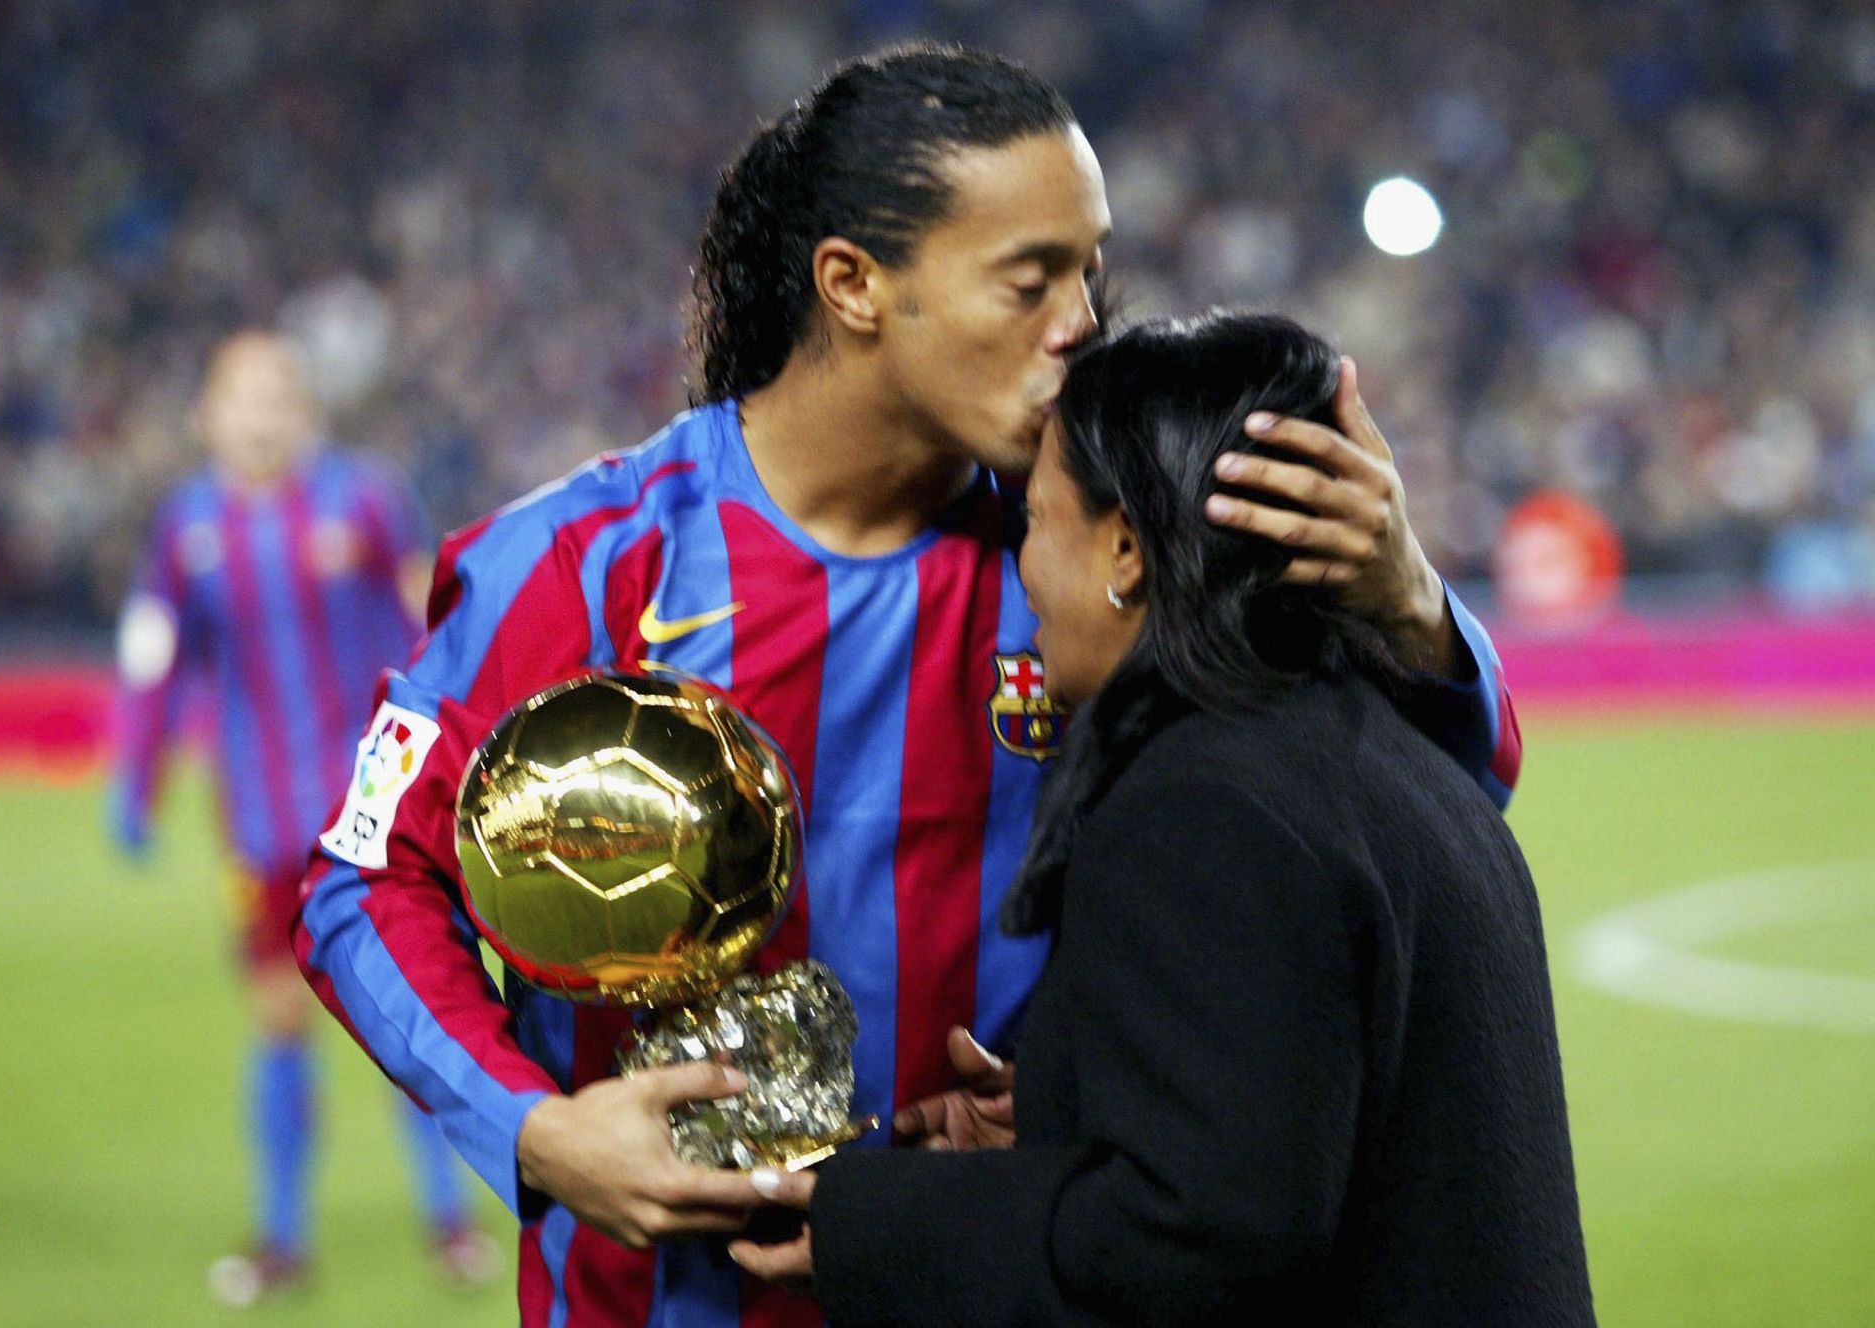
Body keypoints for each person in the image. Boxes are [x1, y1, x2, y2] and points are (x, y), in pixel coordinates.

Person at [294, 45, 1524, 1326]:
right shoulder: (582, 566)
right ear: (854, 285)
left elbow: (1433, 802)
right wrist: (538, 1132)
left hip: (999, 1288)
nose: (1082, 325)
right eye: (1029, 280)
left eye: (1089, 270)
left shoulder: (1099, 555)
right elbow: (363, 876)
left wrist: (1411, 602)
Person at [730, 312, 1593, 1326]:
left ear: (1128, 549)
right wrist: (1071, 1104)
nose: (1023, 573)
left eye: (1037, 523)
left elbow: (1192, 1243)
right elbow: (1297, 1135)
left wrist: (871, 1215)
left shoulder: (1200, 811)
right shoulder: (1406, 763)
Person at [110, 331, 500, 1306]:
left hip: (375, 811)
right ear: (208, 412)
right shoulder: (186, 524)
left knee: (404, 1010)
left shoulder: (363, 496)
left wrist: (453, 746)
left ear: (307, 407)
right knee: (280, 1016)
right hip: (257, 815)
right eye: (243, 395)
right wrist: (137, 774)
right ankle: (283, 1236)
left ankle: (450, 1220)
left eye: (280, 392)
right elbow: (157, 656)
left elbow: (430, 617)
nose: (263, 412)